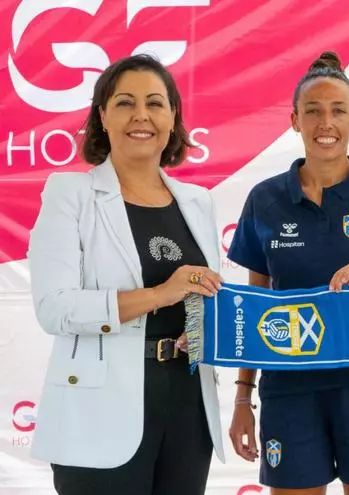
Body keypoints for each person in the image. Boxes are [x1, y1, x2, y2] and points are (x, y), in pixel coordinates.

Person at [226, 52, 349, 495]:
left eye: (338, 110)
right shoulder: (265, 199)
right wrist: (242, 397)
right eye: (313, 111)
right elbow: (252, 309)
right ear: (294, 120)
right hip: (289, 390)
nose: (326, 122)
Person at [27, 54, 226, 495]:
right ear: (103, 116)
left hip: (188, 405)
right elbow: (54, 308)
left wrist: (208, 324)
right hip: (100, 409)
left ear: (173, 117)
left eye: (155, 103)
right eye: (125, 103)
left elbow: (203, 295)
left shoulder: (198, 201)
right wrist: (160, 293)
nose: (141, 115)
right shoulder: (70, 194)